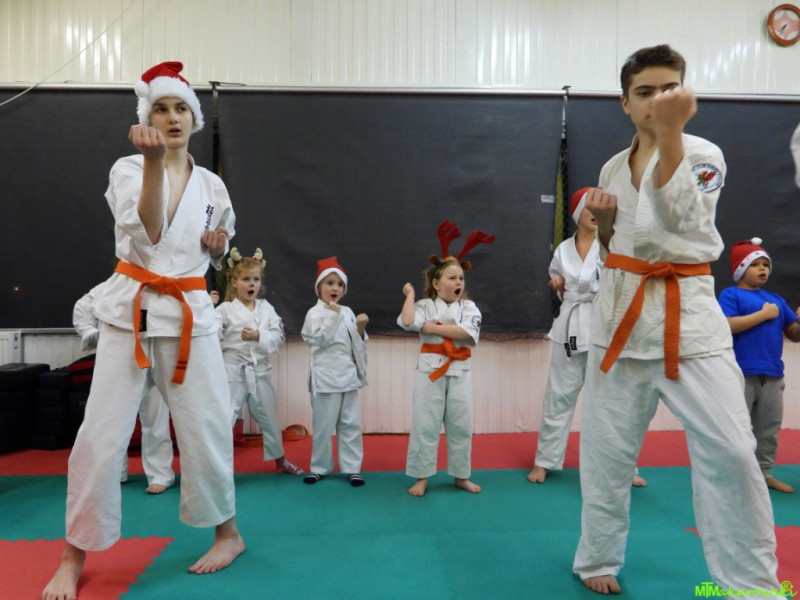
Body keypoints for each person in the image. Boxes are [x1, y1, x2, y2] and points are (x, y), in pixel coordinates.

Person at [572, 45, 783, 596]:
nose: (657, 100)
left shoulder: (704, 153)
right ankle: (597, 556)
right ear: (625, 102)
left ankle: (750, 583)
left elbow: (681, 219)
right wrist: (608, 225)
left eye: (669, 90)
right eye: (644, 92)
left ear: (685, 95)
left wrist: (670, 136)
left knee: (733, 452)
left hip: (688, 322)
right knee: (605, 454)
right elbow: (619, 246)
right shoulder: (612, 167)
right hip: (618, 322)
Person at [43, 61, 244, 600]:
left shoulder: (212, 184)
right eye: (160, 108)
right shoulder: (129, 168)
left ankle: (229, 534)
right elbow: (151, 229)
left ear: (195, 118)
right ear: (146, 118)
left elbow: (216, 244)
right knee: (99, 438)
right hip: (128, 314)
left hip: (190, 317)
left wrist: (218, 245)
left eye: (181, 108)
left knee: (205, 430)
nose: (172, 117)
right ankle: (72, 554)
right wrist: (156, 163)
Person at [527, 189, 646, 487]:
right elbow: (561, 285)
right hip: (569, 326)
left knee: (612, 398)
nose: (595, 215)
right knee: (558, 396)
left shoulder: (612, 245)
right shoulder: (563, 249)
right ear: (577, 213)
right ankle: (545, 460)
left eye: (600, 210)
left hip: (602, 325)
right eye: (589, 208)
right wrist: (558, 286)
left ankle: (625, 466)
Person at [398, 220, 494, 497]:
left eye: (461, 279)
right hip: (430, 372)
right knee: (425, 423)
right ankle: (422, 477)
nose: (458, 283)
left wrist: (432, 328)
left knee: (461, 425)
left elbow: (466, 333)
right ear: (437, 284)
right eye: (452, 278)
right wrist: (410, 295)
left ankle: (461, 476)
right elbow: (408, 321)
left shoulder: (469, 307)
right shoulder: (425, 305)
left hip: (460, 371)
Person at [73, 281, 176, 494]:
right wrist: (92, 333)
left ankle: (160, 474)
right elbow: (82, 308)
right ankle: (114, 471)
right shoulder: (111, 287)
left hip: (156, 356)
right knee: (113, 419)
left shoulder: (163, 286)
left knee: (156, 418)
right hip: (123, 359)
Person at [718, 237, 800, 494]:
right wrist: (763, 315)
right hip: (740, 373)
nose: (762, 269)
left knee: (768, 428)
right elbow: (726, 325)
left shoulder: (776, 299)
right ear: (740, 269)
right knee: (736, 428)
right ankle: (732, 475)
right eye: (755, 264)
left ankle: (763, 474)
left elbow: (794, 334)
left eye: (766, 264)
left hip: (773, 375)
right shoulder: (730, 294)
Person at [215, 247, 303, 475]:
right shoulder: (224, 309)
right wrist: (206, 308)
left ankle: (280, 461)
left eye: (255, 279)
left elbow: (278, 336)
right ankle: (217, 468)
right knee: (224, 419)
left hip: (259, 371)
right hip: (232, 372)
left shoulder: (266, 308)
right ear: (234, 282)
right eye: (245, 279)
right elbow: (210, 335)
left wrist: (258, 336)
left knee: (269, 419)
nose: (251, 284)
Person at [300, 257, 368, 486]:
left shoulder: (347, 311)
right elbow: (319, 341)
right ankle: (320, 467)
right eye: (329, 283)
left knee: (351, 424)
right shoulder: (314, 313)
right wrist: (333, 314)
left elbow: (356, 344)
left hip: (347, 376)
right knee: (323, 426)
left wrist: (360, 329)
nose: (335, 288)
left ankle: (352, 468)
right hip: (325, 379)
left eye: (340, 284)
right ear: (319, 287)